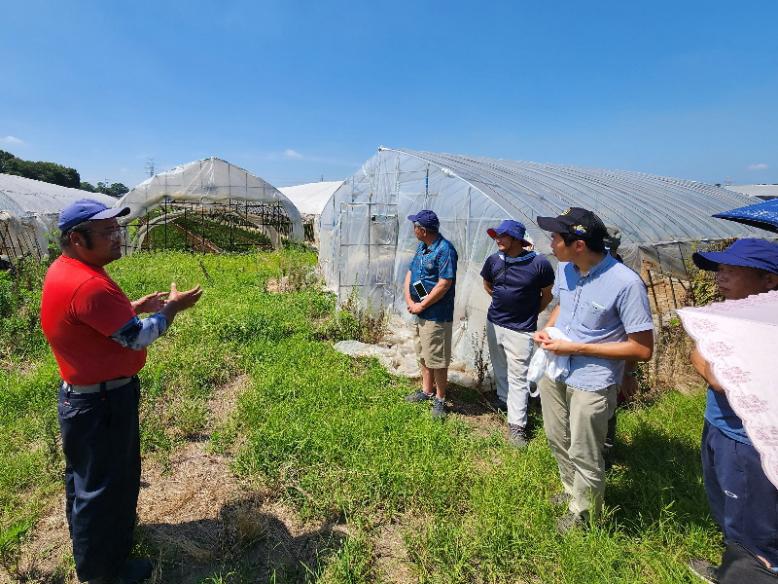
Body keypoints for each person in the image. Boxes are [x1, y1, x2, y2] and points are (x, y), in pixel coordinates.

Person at [40, 199, 203, 584]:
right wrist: (171, 310)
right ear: (77, 238)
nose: (118, 239)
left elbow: (90, 320)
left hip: (85, 399)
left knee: (87, 483)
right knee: (106, 486)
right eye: (108, 232)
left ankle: (93, 554)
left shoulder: (67, 271)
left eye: (119, 230)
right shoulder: (88, 284)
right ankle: (103, 573)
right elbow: (137, 337)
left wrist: (132, 306)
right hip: (102, 404)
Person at [533, 207, 654, 533]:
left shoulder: (626, 284)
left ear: (579, 245)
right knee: (557, 437)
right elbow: (562, 306)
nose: (550, 242)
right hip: (556, 368)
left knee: (585, 449)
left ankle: (586, 516)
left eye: (556, 237)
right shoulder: (566, 269)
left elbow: (642, 349)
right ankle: (573, 492)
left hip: (592, 379)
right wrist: (549, 329)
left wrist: (577, 348)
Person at [686, 239, 778, 584]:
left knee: (755, 530)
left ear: (769, 280)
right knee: (728, 509)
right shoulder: (728, 314)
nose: (720, 277)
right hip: (720, 426)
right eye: (719, 269)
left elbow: (720, 378)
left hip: (748, 441)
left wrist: (707, 356)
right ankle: (732, 567)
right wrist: (706, 355)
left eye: (731, 270)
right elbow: (700, 356)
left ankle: (753, 572)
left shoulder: (765, 326)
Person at [480, 219, 554, 447]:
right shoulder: (493, 260)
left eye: (502, 236)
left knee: (519, 376)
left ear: (516, 240)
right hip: (495, 323)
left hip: (521, 329)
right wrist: (503, 303)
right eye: (496, 236)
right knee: (500, 365)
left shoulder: (539, 264)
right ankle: (503, 400)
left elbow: (547, 295)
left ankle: (517, 426)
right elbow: (487, 284)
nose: (497, 240)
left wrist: (530, 312)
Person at [403, 209, 458, 419]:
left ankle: (440, 398)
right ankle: (426, 391)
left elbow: (444, 284)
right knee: (423, 354)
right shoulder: (423, 247)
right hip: (420, 311)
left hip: (436, 315)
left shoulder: (445, 250)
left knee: (437, 359)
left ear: (422, 230)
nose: (413, 230)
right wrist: (410, 300)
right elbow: (411, 272)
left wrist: (422, 305)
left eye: (415, 226)